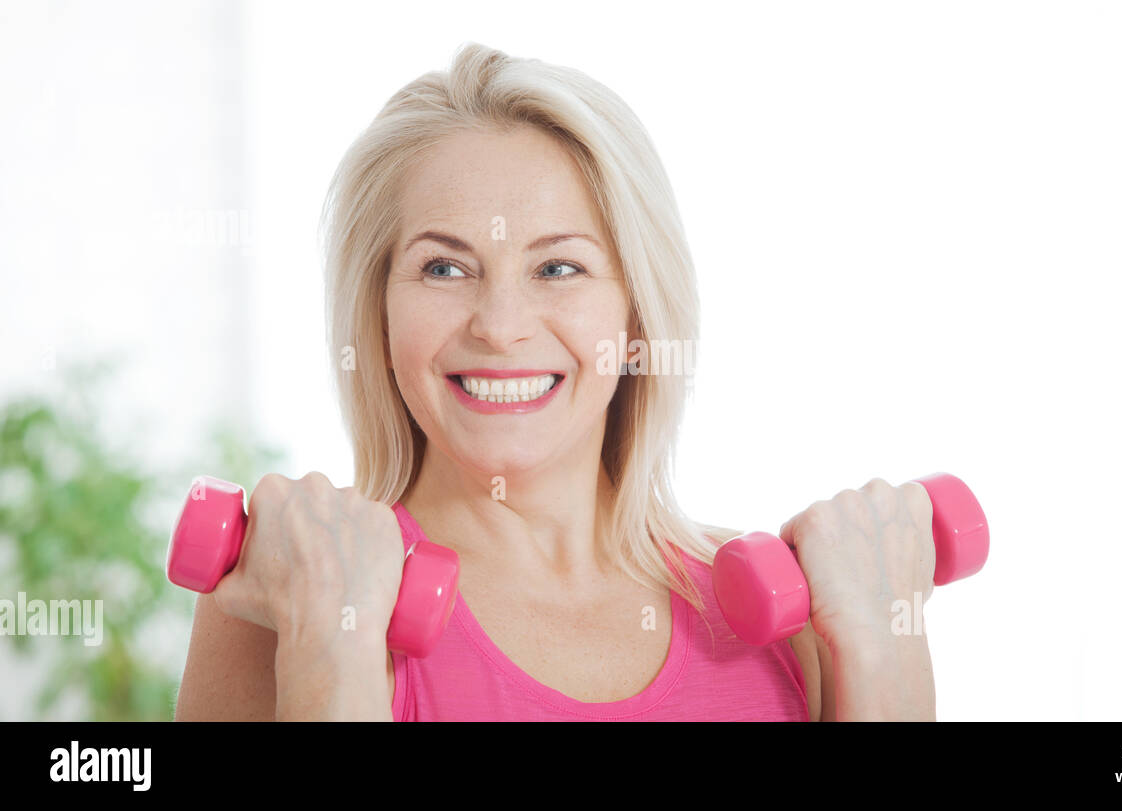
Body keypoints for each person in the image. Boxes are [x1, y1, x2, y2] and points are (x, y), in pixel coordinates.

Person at [174, 42, 938, 721]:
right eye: (444, 267)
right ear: (378, 315)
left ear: (636, 321)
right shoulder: (282, 597)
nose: (500, 325)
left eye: (558, 267)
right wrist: (330, 652)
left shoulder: (782, 619)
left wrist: (880, 653)